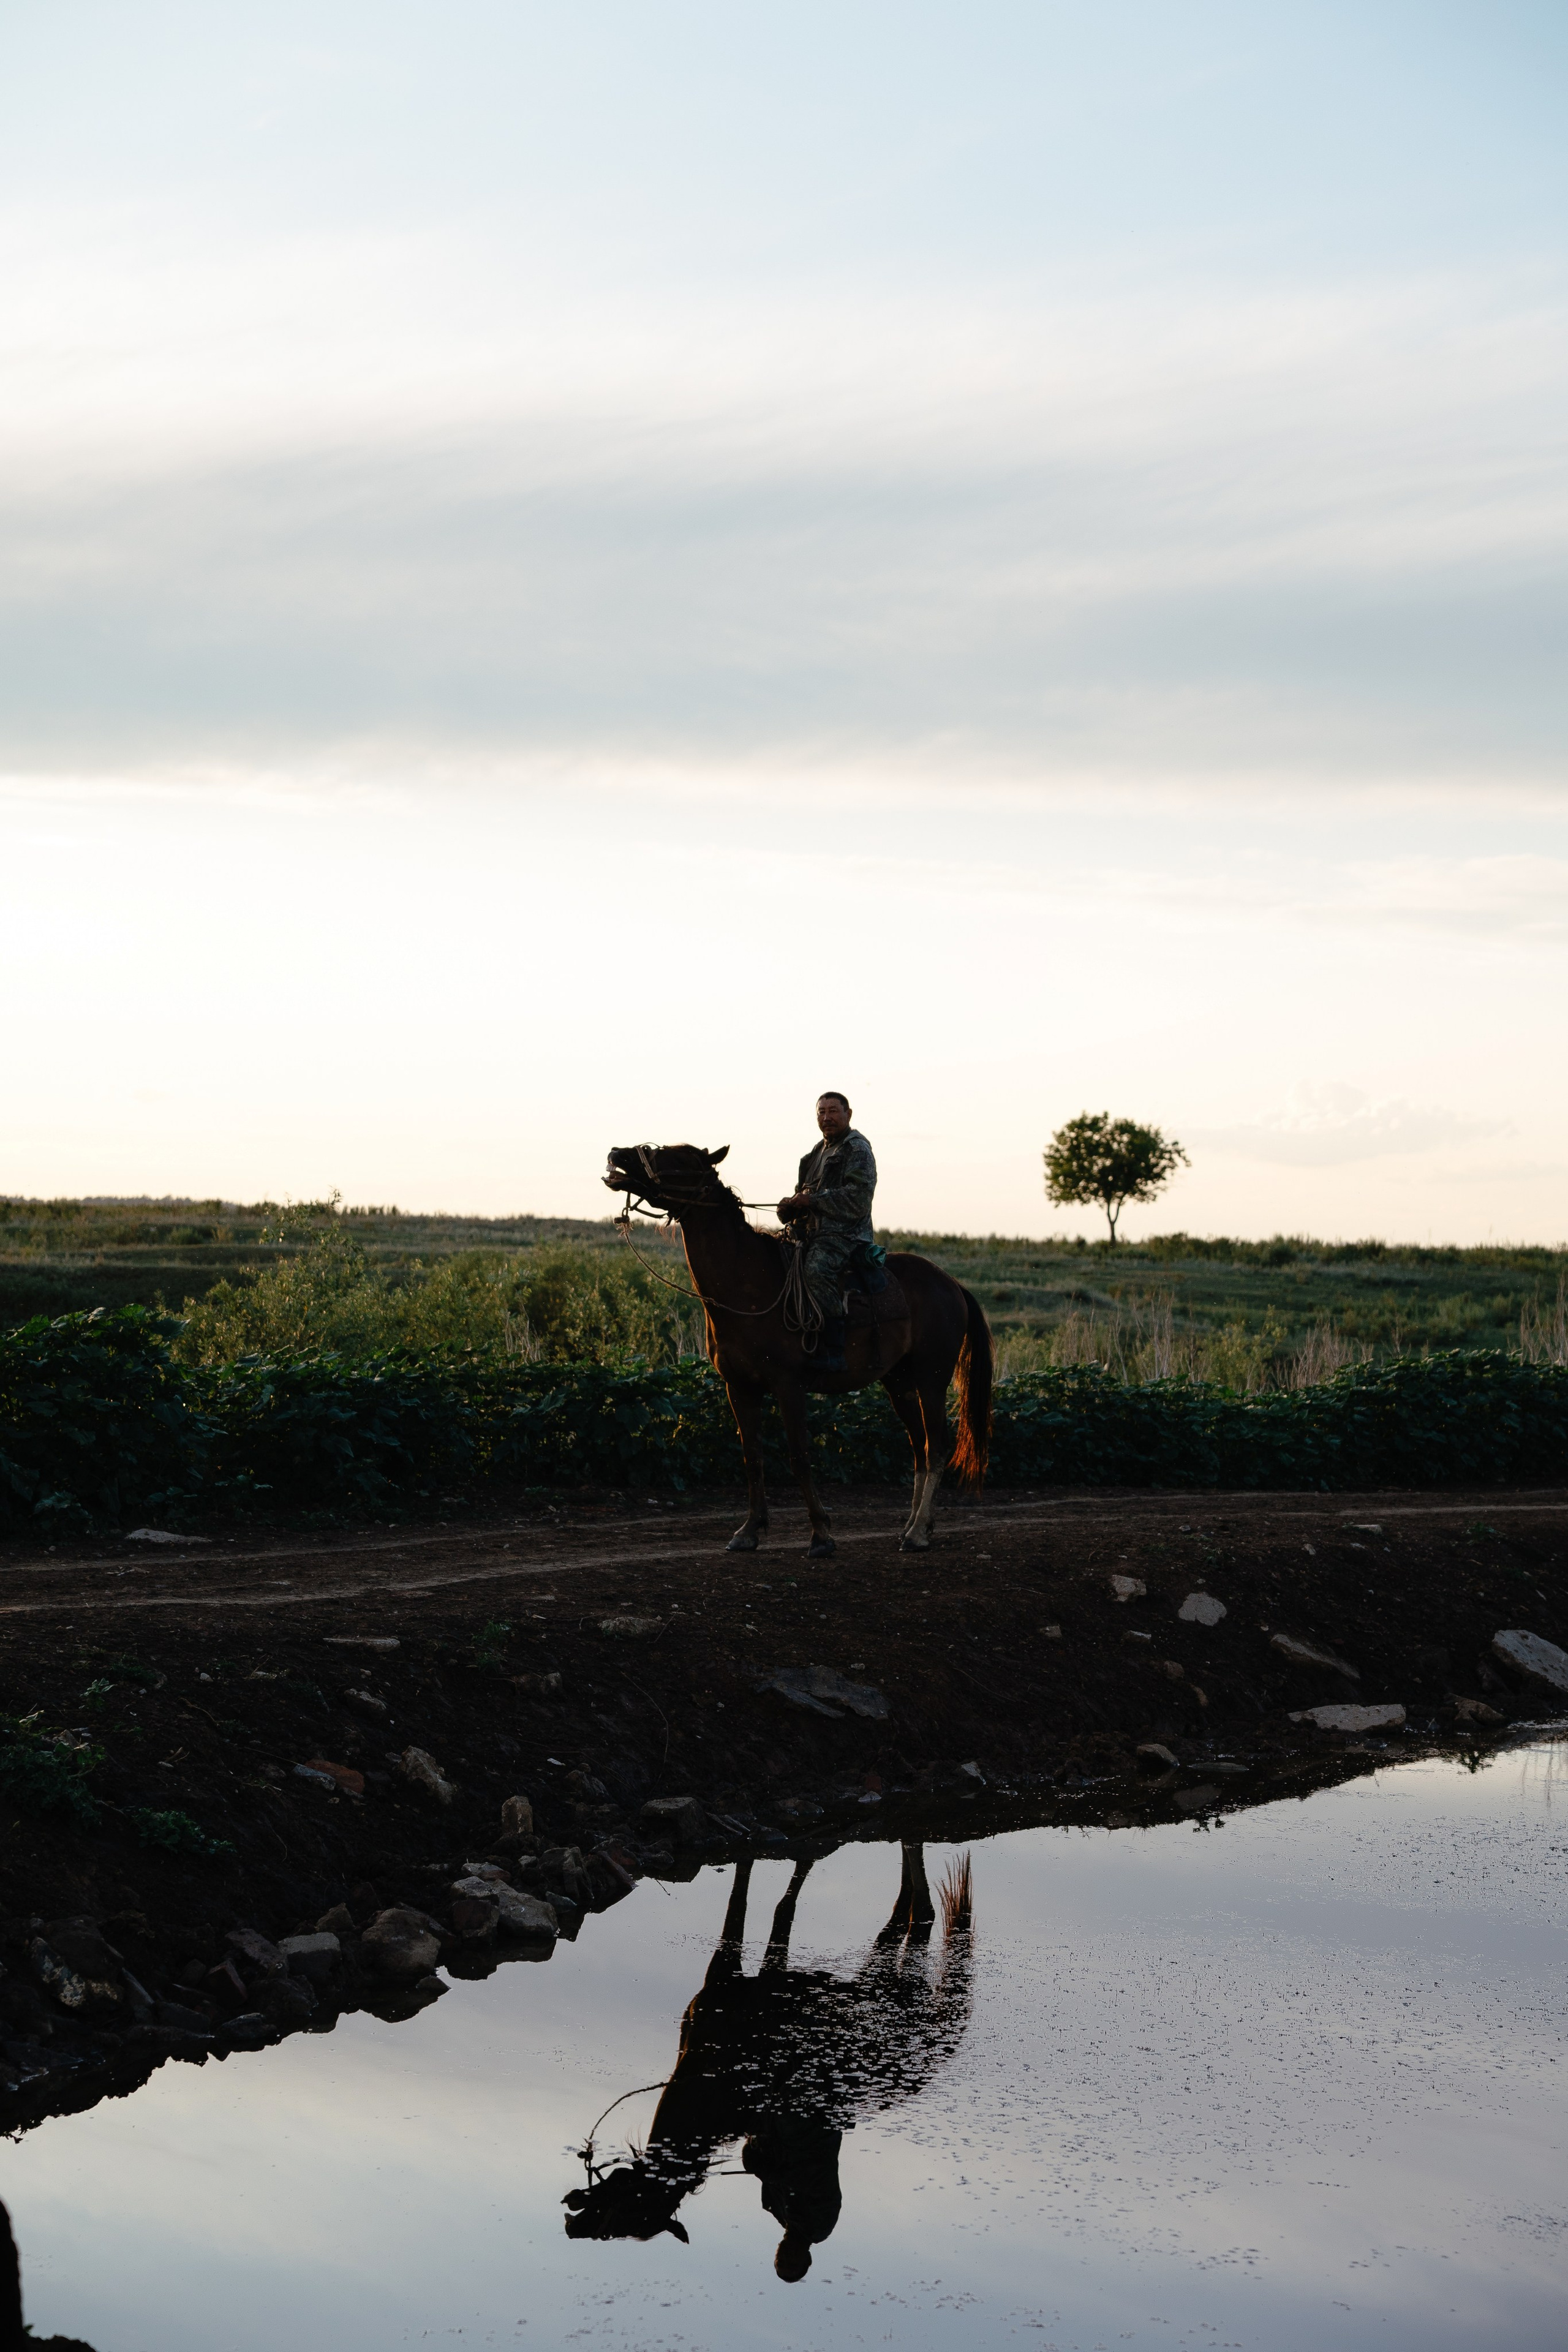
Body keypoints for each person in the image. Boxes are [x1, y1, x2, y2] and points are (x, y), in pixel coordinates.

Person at [776, 1092, 878, 1373]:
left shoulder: (857, 1150)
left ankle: (834, 1352)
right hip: (809, 1234)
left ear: (848, 1114)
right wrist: (790, 1208)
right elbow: (804, 1197)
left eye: (833, 1111)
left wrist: (812, 1201)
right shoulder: (813, 1155)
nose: (826, 1117)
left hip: (846, 1236)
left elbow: (857, 1199)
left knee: (816, 1271)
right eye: (821, 1112)